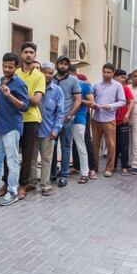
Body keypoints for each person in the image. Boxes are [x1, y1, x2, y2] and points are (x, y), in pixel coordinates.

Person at [0, 53, 29, 206]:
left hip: (12, 126)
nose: (6, 69)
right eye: (4, 66)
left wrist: (9, 95)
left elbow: (24, 106)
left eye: (10, 67)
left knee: (12, 160)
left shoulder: (19, 84)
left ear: (16, 67)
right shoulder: (0, 81)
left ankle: (12, 191)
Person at [16, 42, 46, 199]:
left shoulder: (39, 76)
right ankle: (8, 184)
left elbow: (35, 100)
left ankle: (22, 186)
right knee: (12, 154)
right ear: (21, 54)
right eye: (26, 51)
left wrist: (19, 93)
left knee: (27, 156)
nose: (28, 54)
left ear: (35, 55)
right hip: (14, 119)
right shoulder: (15, 73)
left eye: (31, 52)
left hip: (31, 120)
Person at [91, 63, 126, 177]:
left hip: (109, 118)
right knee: (95, 144)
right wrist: (94, 105)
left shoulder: (117, 86)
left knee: (111, 144)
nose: (106, 74)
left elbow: (122, 101)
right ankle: (94, 167)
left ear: (113, 73)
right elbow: (90, 98)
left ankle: (109, 169)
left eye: (109, 72)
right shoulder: (96, 84)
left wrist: (110, 106)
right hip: (96, 118)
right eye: (104, 72)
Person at [52, 56, 82, 187]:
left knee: (65, 147)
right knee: (51, 148)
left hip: (66, 120)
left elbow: (78, 100)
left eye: (66, 64)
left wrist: (70, 114)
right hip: (52, 121)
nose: (63, 66)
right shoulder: (50, 79)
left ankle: (63, 175)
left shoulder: (73, 80)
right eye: (61, 63)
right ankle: (52, 173)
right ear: (57, 65)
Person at [37, 62, 65, 196]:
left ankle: (45, 184)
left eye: (50, 72)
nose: (47, 75)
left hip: (48, 130)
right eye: (45, 72)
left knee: (46, 159)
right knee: (30, 159)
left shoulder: (57, 91)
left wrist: (56, 130)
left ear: (53, 73)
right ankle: (30, 183)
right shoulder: (34, 87)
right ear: (40, 72)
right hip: (32, 129)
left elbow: (60, 113)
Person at [72, 73, 96, 181]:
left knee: (83, 143)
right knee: (69, 146)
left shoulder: (83, 83)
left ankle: (87, 171)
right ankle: (74, 168)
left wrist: (79, 100)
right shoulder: (61, 83)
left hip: (80, 117)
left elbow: (92, 102)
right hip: (64, 118)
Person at [113, 69, 135, 175]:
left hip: (123, 120)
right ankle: (113, 165)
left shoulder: (125, 89)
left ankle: (124, 166)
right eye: (121, 76)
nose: (124, 79)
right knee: (113, 144)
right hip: (111, 120)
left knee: (124, 144)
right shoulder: (111, 88)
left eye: (124, 77)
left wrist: (127, 114)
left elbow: (132, 101)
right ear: (115, 77)